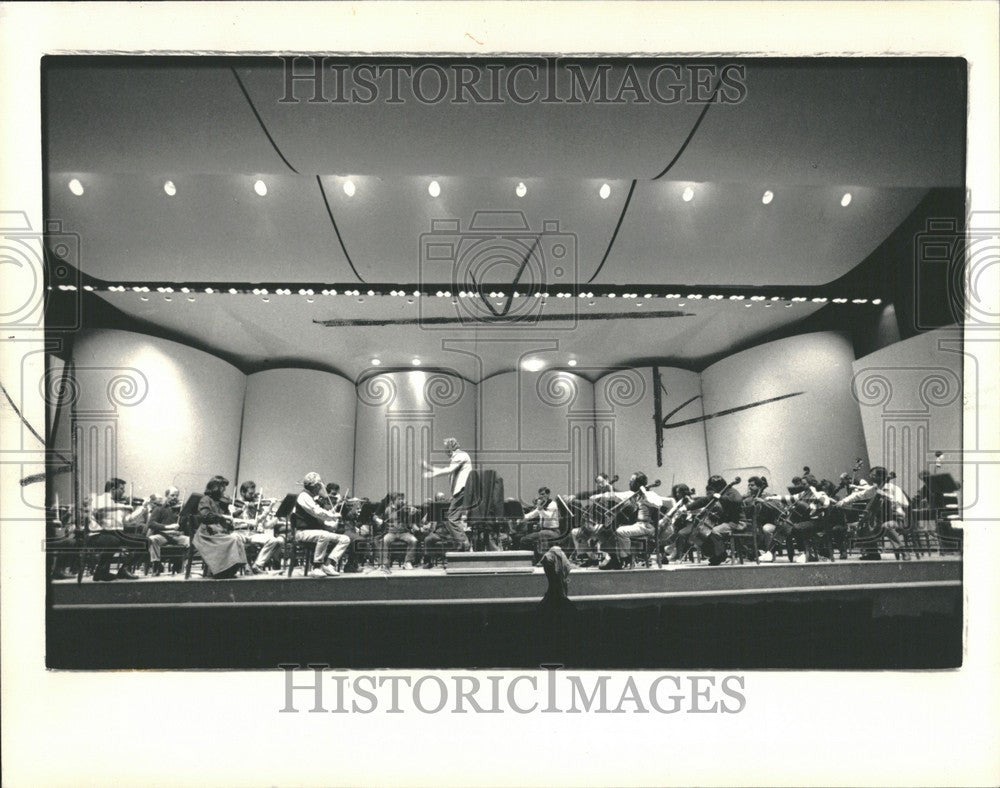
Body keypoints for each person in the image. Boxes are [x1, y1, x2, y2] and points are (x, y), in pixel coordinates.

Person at [592, 472, 671, 570]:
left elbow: (658, 503)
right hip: (638, 525)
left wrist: (645, 494)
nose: (629, 483)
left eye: (631, 481)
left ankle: (624, 558)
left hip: (646, 526)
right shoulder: (632, 494)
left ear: (638, 484)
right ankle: (617, 559)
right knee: (605, 531)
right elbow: (615, 495)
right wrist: (599, 496)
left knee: (617, 532)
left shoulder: (651, 494)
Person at [834, 466, 909, 559]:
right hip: (879, 520)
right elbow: (858, 495)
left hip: (897, 518)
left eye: (873, 475)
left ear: (881, 476)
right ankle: (873, 554)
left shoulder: (893, 489)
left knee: (886, 526)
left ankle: (904, 552)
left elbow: (905, 504)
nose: (870, 477)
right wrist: (842, 502)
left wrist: (886, 496)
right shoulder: (874, 489)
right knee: (863, 527)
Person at [89, 477, 152, 581]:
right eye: (122, 489)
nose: (123, 492)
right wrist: (124, 507)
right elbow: (101, 508)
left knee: (145, 541)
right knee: (113, 541)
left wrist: (142, 507)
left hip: (117, 533)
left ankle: (124, 569)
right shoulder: (100, 499)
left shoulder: (117, 503)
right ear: (113, 488)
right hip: (100, 533)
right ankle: (101, 571)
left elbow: (127, 520)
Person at [293, 472, 351, 577]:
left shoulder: (312, 497)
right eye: (319, 485)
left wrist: (330, 525)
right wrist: (332, 516)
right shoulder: (304, 496)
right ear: (314, 486)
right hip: (302, 532)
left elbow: (318, 519)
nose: (321, 487)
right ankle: (316, 567)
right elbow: (317, 512)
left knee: (345, 539)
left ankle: (329, 564)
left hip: (314, 532)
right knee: (324, 535)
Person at [422, 437, 472, 553]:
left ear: (450, 448)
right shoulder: (457, 457)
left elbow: (449, 470)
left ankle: (464, 543)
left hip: (462, 491)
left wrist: (431, 472)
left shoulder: (461, 455)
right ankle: (462, 543)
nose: (445, 452)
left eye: (446, 449)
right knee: (454, 518)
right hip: (460, 492)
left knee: (451, 518)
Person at [193, 475, 248, 578]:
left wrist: (237, 511)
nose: (224, 490)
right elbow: (206, 515)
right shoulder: (206, 499)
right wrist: (223, 516)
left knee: (237, 539)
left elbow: (227, 517)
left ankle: (230, 569)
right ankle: (222, 570)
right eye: (222, 487)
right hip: (207, 534)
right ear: (215, 487)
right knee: (233, 539)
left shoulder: (221, 502)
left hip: (218, 531)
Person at [234, 480, 286, 573]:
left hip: (252, 533)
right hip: (239, 532)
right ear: (242, 492)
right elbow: (233, 519)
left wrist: (269, 507)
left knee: (273, 540)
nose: (253, 496)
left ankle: (257, 565)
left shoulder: (254, 506)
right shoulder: (235, 503)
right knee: (235, 539)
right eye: (250, 494)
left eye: (254, 494)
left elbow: (259, 521)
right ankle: (245, 566)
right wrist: (244, 508)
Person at [569, 473, 616, 566]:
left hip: (608, 524)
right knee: (575, 532)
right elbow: (587, 494)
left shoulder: (615, 493)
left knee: (593, 531)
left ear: (607, 479)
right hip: (595, 523)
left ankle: (605, 557)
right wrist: (575, 496)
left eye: (601, 482)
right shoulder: (599, 492)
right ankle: (592, 558)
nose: (599, 485)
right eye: (598, 483)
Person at [147, 486, 190, 575]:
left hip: (177, 536)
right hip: (163, 535)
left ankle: (179, 564)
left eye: (176, 496)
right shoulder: (159, 508)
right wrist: (168, 527)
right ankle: (156, 565)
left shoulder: (180, 509)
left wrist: (185, 515)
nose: (175, 497)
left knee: (191, 541)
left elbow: (184, 526)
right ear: (167, 496)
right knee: (152, 539)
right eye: (172, 495)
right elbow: (151, 524)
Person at [515, 487, 563, 562]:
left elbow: (548, 516)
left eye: (543, 494)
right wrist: (520, 519)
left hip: (553, 531)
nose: (541, 496)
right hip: (544, 531)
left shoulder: (552, 504)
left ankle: (532, 559)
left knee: (526, 539)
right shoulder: (541, 505)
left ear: (548, 494)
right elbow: (531, 515)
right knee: (526, 539)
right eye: (540, 494)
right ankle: (534, 559)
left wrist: (540, 509)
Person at [375, 492, 418, 571]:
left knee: (414, 540)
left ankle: (407, 562)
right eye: (399, 499)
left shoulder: (406, 509)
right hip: (391, 532)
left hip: (404, 532)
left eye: (402, 499)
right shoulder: (388, 509)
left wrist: (412, 514)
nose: (401, 501)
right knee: (384, 540)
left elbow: (409, 522)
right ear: (394, 500)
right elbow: (391, 517)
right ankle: (384, 564)